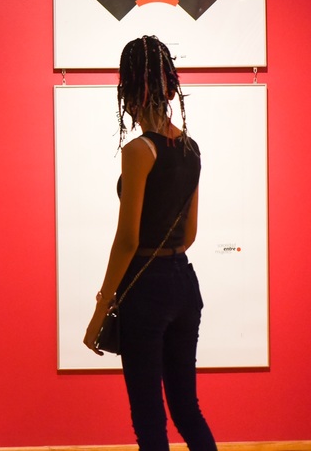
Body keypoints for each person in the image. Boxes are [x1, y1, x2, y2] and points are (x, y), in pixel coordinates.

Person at [84, 36, 216, 450]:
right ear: (172, 88)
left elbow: (128, 240)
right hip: (184, 283)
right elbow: (189, 234)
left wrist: (101, 309)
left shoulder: (139, 151)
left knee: (149, 418)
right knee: (187, 409)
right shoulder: (190, 148)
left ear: (128, 92)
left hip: (145, 288)